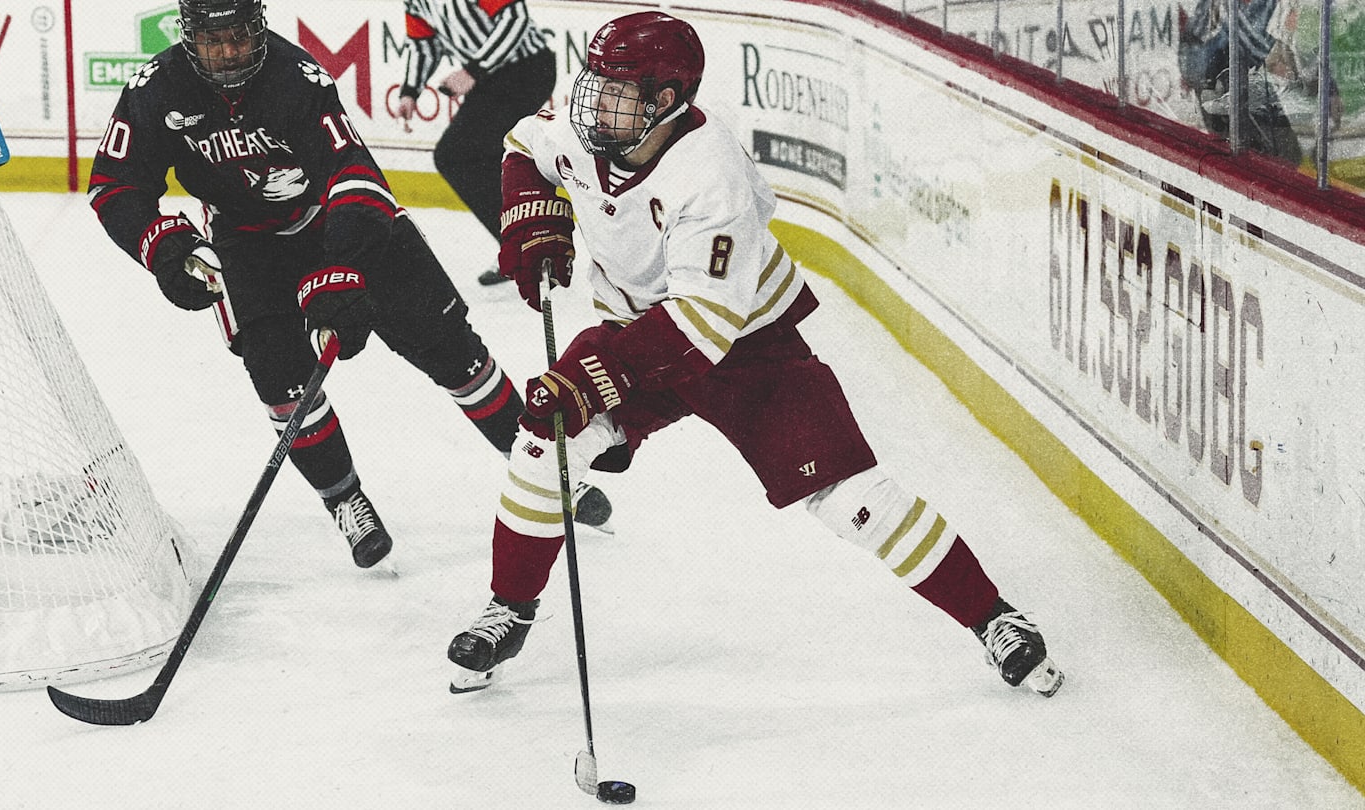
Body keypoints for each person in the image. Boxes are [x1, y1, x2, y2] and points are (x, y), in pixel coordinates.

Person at [445, 11, 1064, 698]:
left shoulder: (711, 177)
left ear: (668, 103)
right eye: (595, 83)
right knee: (544, 445)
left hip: (746, 347)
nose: (596, 103)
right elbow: (522, 146)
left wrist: (593, 379)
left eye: (619, 92)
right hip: (634, 331)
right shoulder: (587, 131)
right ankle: (511, 608)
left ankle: (994, 618)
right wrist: (534, 220)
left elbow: (701, 325)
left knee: (850, 499)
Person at [87, 0, 609, 570]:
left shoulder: (297, 77)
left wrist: (341, 266)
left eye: (240, 36)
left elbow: (356, 175)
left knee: (452, 350)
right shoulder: (154, 90)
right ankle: (346, 500)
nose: (230, 51)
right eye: (215, 41)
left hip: (341, 221)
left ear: (258, 27)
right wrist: (165, 248)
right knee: (280, 382)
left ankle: (537, 469)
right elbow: (114, 184)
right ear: (188, 36)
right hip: (248, 246)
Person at [395, 0, 556, 287]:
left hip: (527, 69)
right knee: (483, 157)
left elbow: (514, 20)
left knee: (455, 155)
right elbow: (424, 45)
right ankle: (529, 245)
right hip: (493, 79)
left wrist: (473, 71)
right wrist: (410, 90)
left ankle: (525, 246)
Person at [1179, 0, 1303, 163]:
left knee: (1286, 155)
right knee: (1256, 158)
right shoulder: (1223, 11)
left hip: (1240, 80)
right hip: (1223, 84)